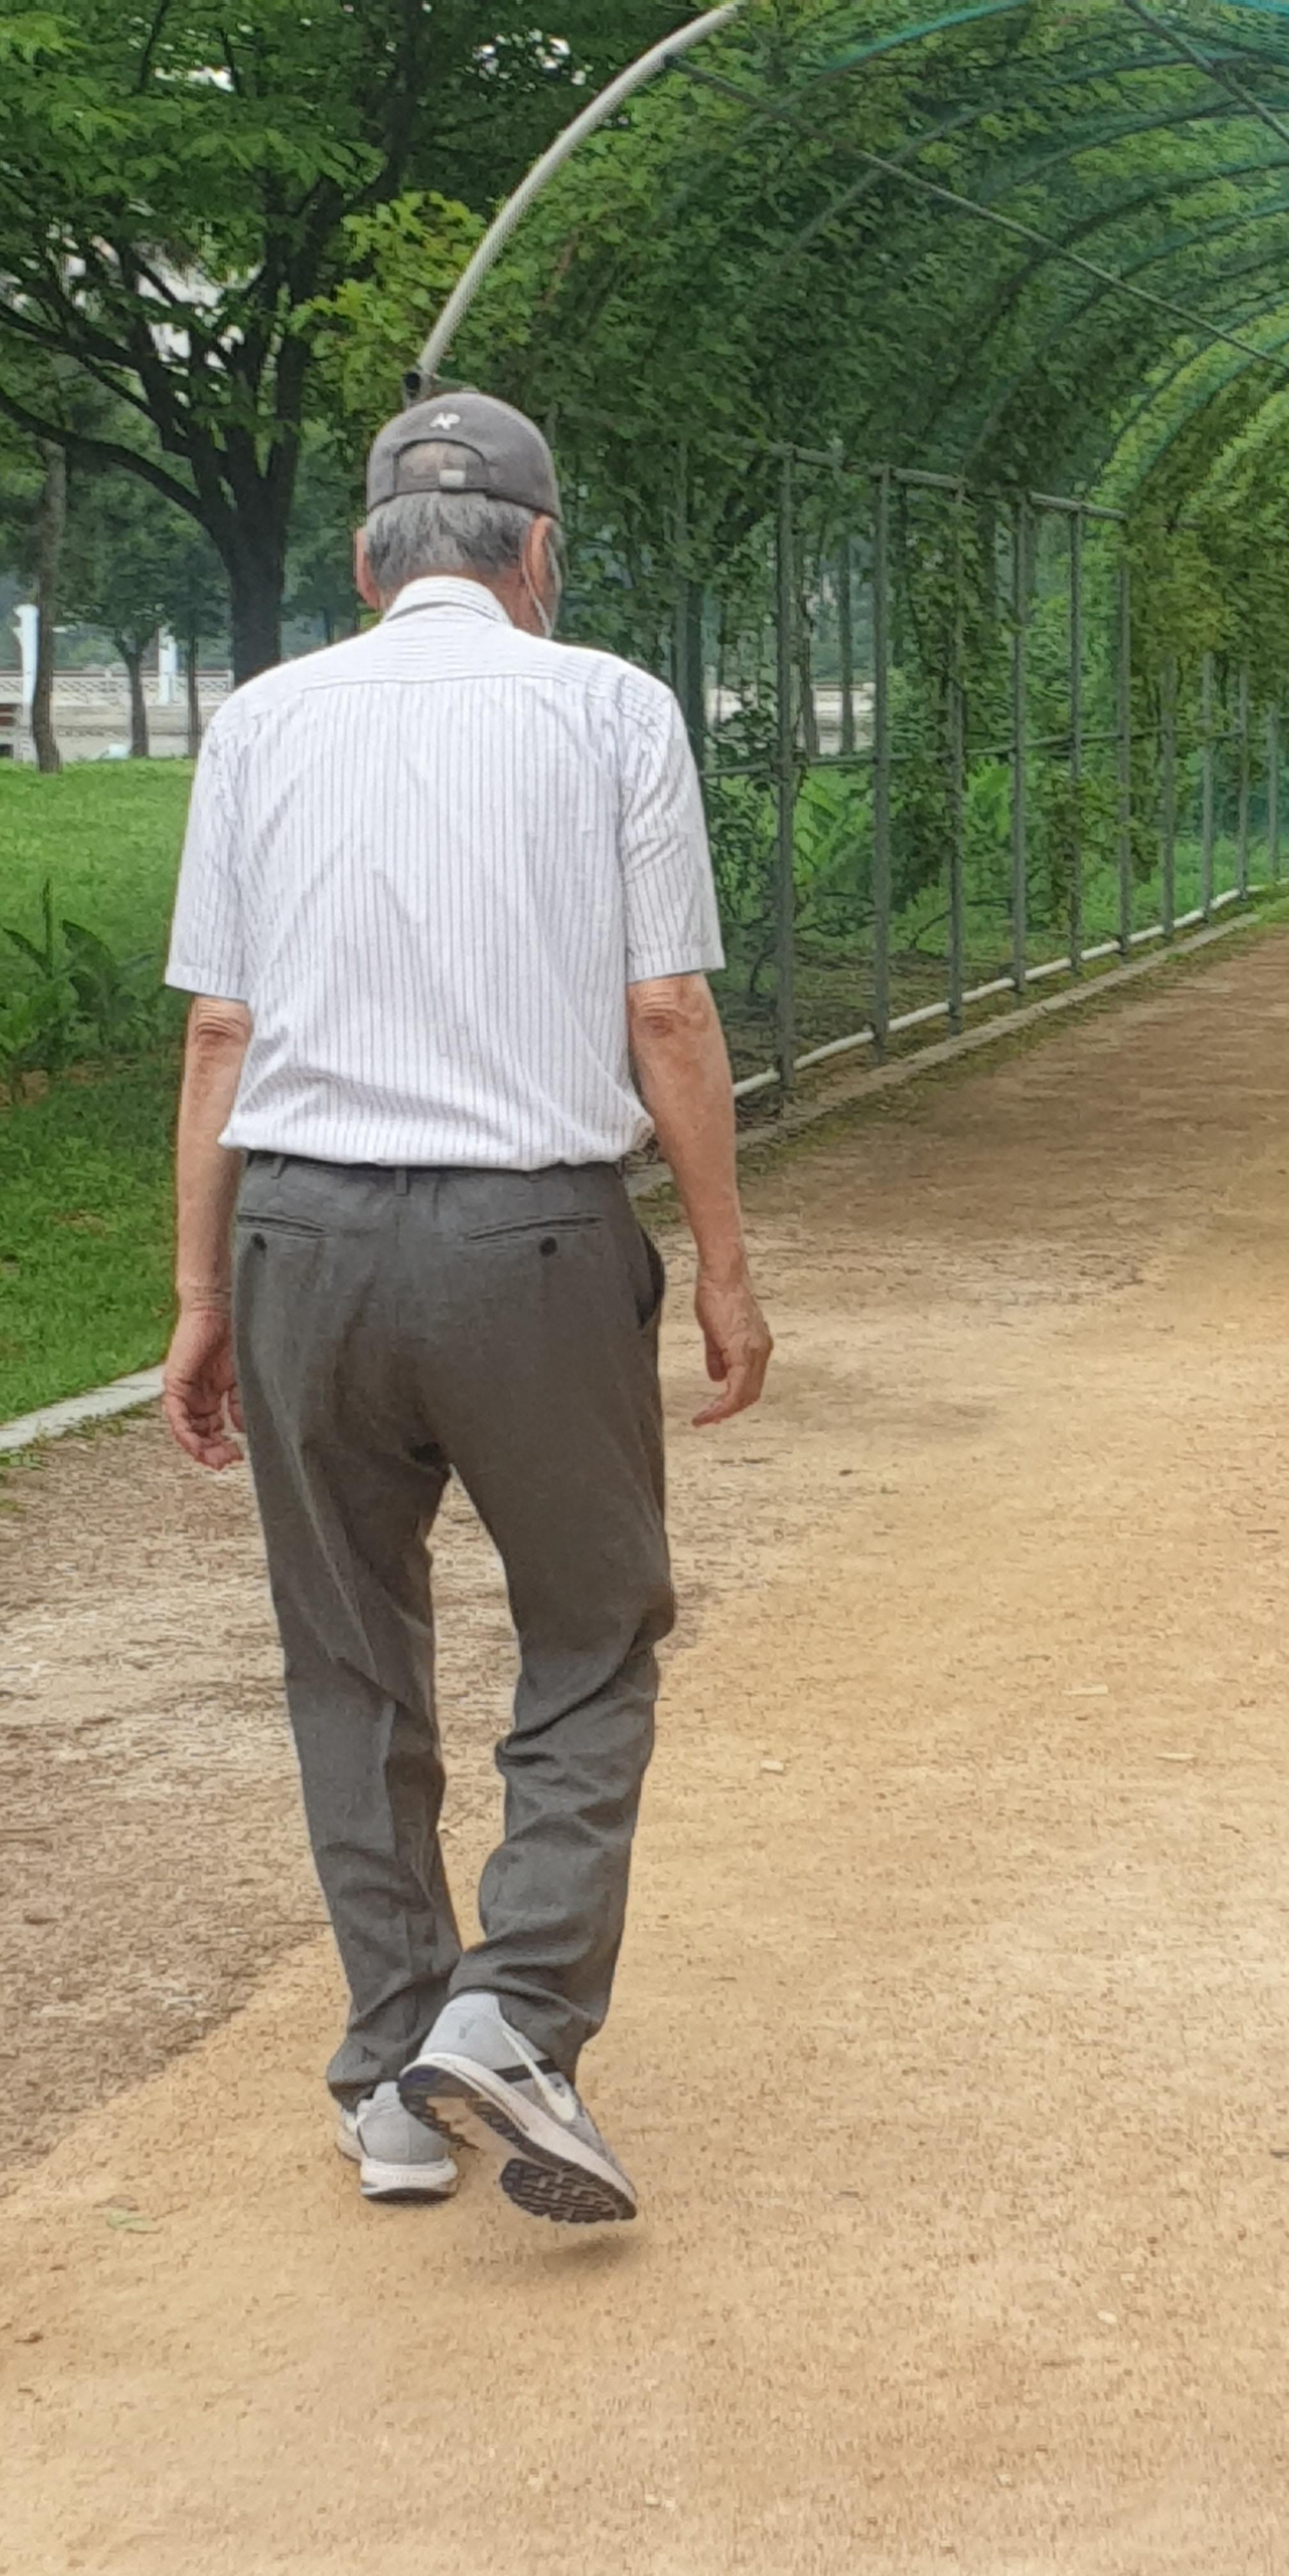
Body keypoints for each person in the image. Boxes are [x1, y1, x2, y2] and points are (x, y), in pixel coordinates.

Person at [161, 389, 772, 2226]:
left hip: (301, 1243)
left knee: (350, 1656)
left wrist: (198, 1293)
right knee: (589, 1632)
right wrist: (724, 1264)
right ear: (538, 552)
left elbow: (220, 1029)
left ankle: (390, 2081)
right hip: (533, 1248)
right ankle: (514, 2011)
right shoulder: (610, 708)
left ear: (365, 560)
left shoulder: (262, 722)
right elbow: (664, 1010)